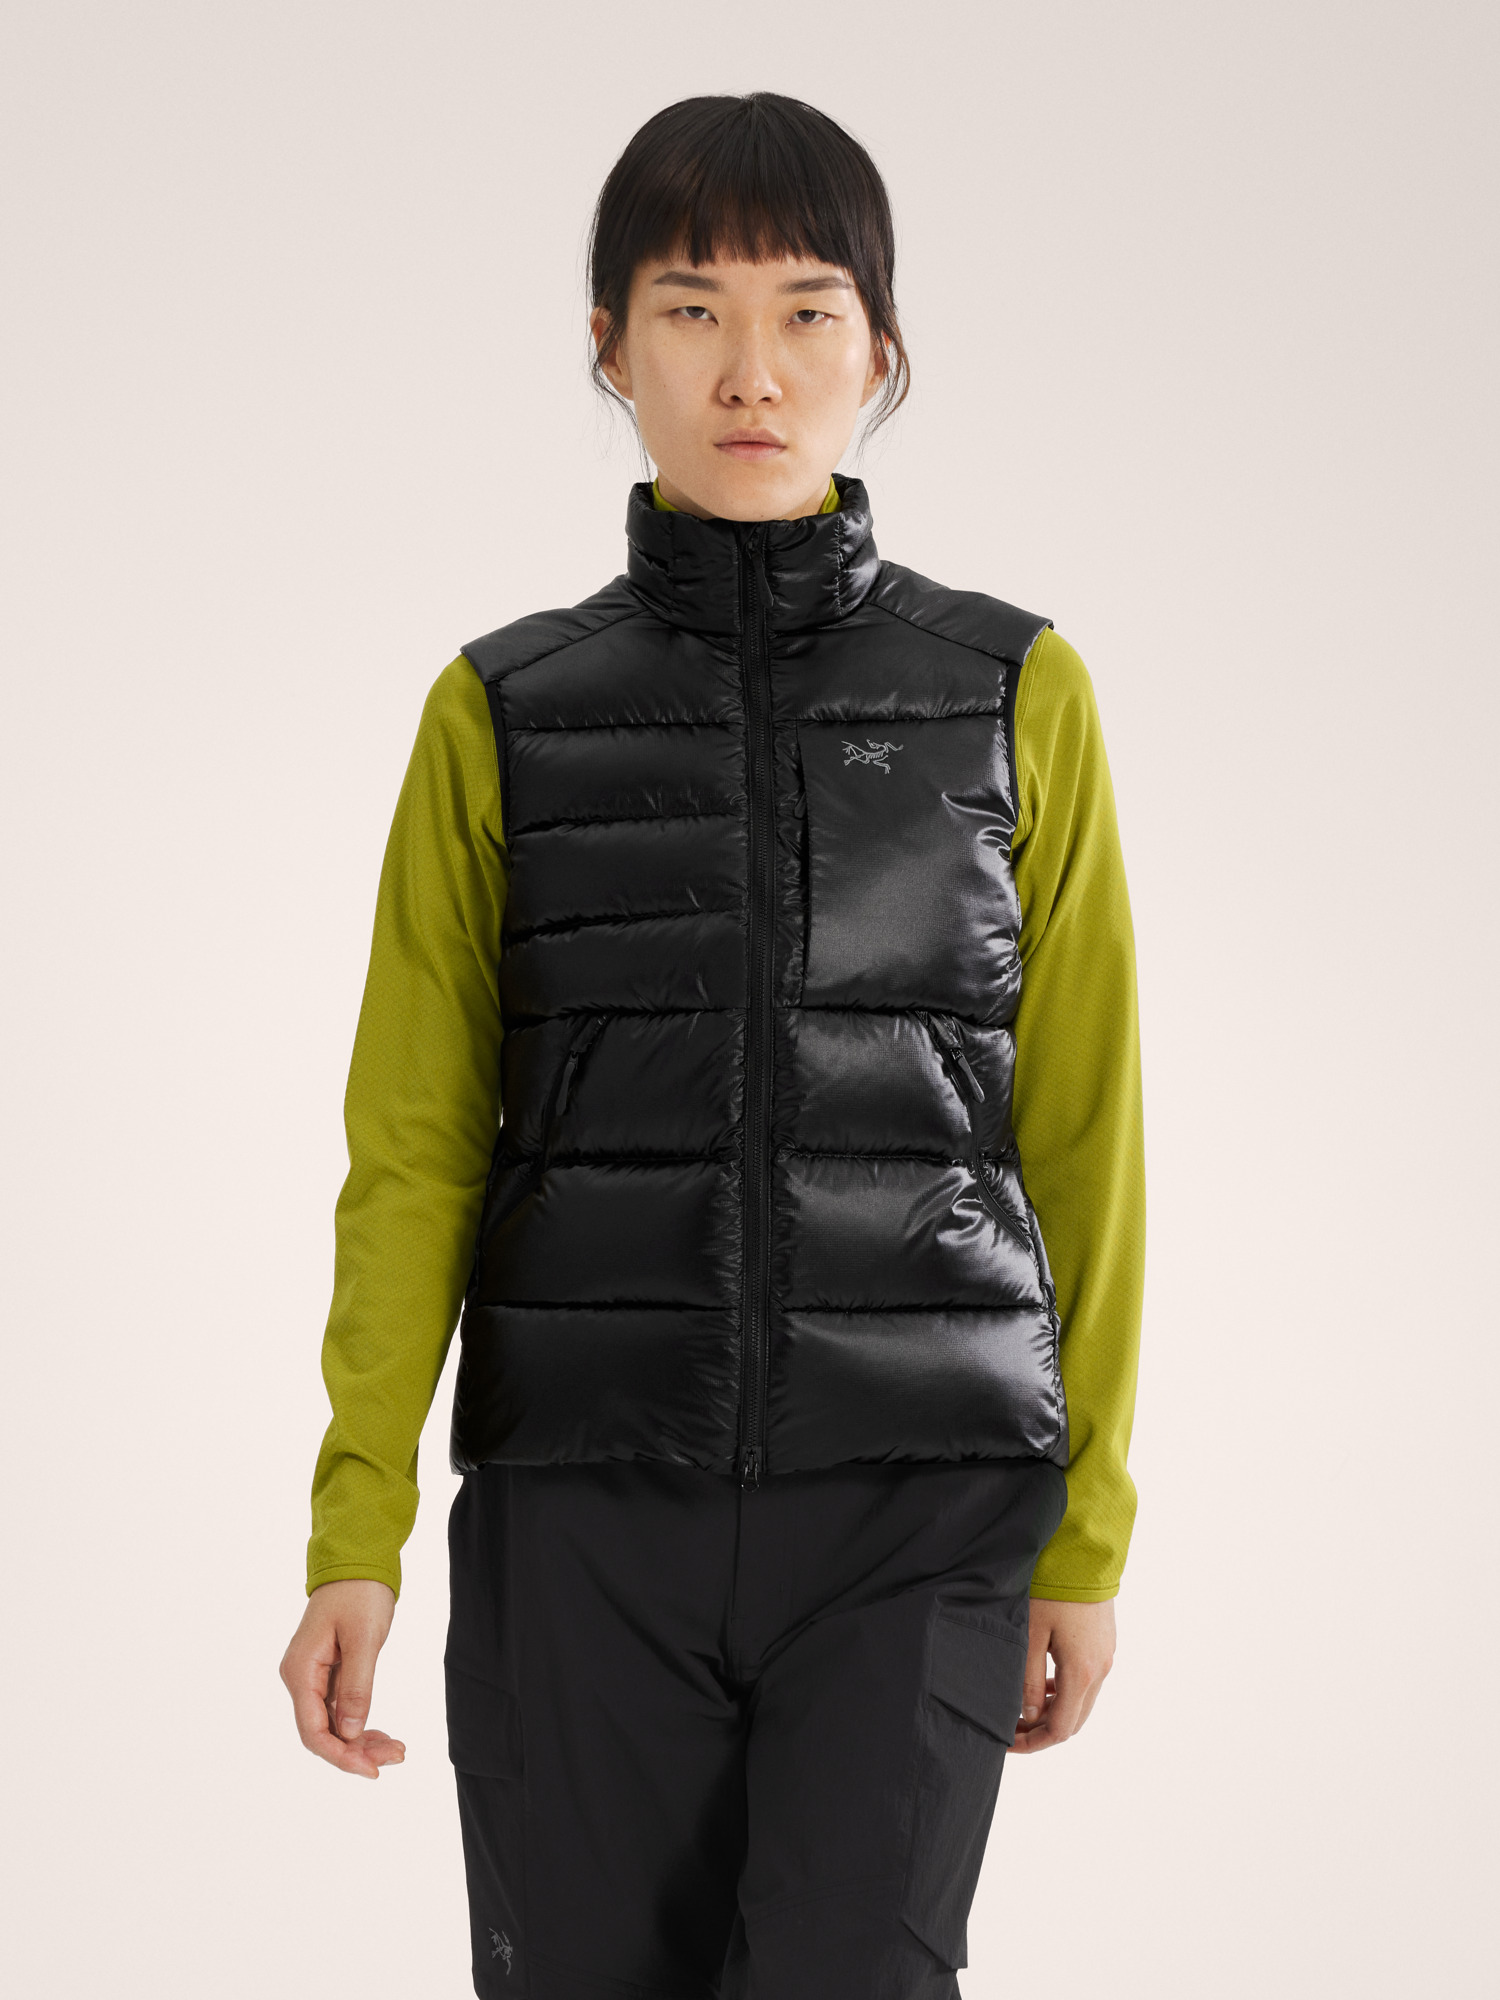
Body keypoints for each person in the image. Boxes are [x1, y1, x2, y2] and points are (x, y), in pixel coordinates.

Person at [279, 91, 1144, 2000]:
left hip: (921, 1503)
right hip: (585, 1510)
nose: (752, 371)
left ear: (881, 348)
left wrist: (1084, 1532)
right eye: (691, 309)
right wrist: (358, 1524)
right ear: (610, 344)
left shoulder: (1016, 693)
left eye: (807, 309)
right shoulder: (503, 711)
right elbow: (415, 1143)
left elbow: (1082, 1136)